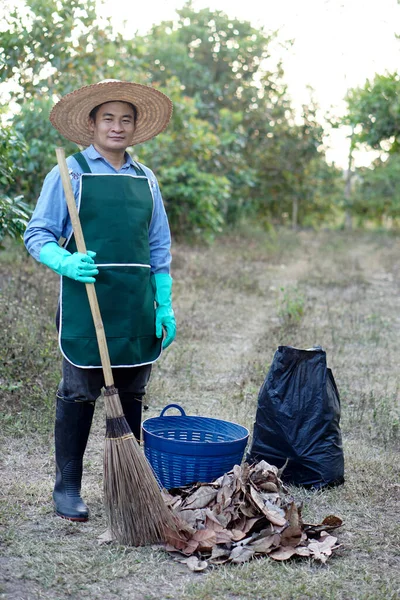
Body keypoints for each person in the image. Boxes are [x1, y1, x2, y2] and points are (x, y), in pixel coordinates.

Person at [24, 80, 176, 522]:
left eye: (125, 119)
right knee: (78, 390)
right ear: (91, 125)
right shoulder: (69, 172)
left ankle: (123, 484)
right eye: (108, 118)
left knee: (132, 388)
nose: (117, 126)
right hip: (85, 299)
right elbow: (38, 233)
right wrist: (65, 262)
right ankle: (67, 486)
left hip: (134, 302)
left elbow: (159, 249)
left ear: (135, 127)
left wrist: (163, 304)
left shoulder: (146, 180)